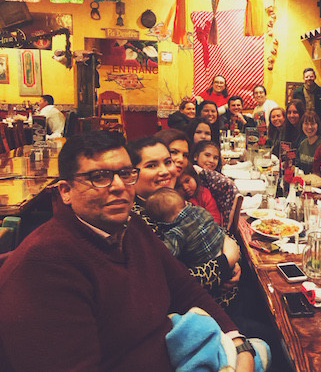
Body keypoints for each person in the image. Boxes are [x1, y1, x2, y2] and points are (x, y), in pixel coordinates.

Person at [0, 130, 254, 371]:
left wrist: (237, 342)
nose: (119, 186)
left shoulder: (131, 226)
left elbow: (184, 288)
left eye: (125, 173)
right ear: (65, 191)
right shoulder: (43, 268)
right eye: (99, 177)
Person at [127, 137, 241, 299]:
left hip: (225, 299)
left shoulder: (175, 199)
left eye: (167, 162)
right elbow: (168, 282)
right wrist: (225, 262)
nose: (165, 171)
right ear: (132, 174)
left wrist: (234, 264)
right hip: (200, 314)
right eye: (152, 165)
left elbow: (219, 233)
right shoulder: (136, 220)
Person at [145, 188, 226, 266]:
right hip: (223, 248)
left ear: (161, 222)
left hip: (207, 265)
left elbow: (166, 255)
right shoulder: (200, 210)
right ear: (186, 203)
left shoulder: (176, 233)